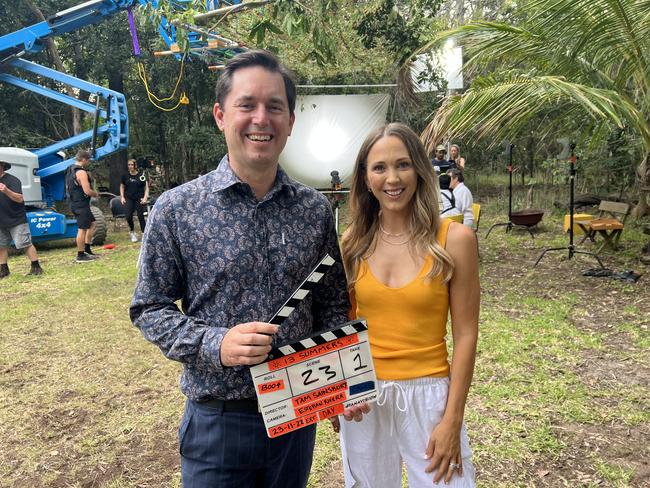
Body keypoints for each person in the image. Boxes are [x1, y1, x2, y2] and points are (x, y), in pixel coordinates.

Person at [129, 50, 350, 488]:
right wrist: (216, 343)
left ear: (290, 120)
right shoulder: (177, 209)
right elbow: (148, 307)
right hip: (218, 419)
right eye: (247, 105)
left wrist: (341, 384)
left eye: (275, 107)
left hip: (295, 414)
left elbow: (333, 304)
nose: (261, 119)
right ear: (220, 115)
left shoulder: (314, 211)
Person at [338, 123, 479, 487]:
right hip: (365, 396)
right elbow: (342, 327)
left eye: (402, 164)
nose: (392, 178)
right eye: (379, 167)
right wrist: (335, 395)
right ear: (366, 178)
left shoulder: (454, 239)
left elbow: (465, 334)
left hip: (429, 394)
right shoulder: (351, 244)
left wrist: (452, 421)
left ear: (419, 169)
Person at [0, 160, 43, 278]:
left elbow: (20, 199)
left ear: (2, 166)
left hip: (16, 219)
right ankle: (4, 270)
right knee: (1, 246)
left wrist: (6, 191)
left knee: (25, 243)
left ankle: (36, 266)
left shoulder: (13, 180)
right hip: (1, 220)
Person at [66, 150, 99, 262]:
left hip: (75, 203)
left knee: (92, 224)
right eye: (88, 160)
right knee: (82, 229)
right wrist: (95, 194)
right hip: (80, 204)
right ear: (84, 159)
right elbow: (87, 191)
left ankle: (87, 249)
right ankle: (80, 255)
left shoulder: (70, 170)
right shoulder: (81, 172)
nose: (88, 162)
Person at [120, 158, 149, 242]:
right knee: (128, 216)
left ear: (135, 165)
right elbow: (122, 186)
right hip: (128, 198)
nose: (130, 166)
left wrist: (145, 198)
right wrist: (122, 197)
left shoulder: (141, 175)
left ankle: (144, 234)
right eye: (129, 165)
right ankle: (132, 232)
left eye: (131, 165)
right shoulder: (125, 175)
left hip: (139, 198)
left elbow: (146, 188)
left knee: (140, 216)